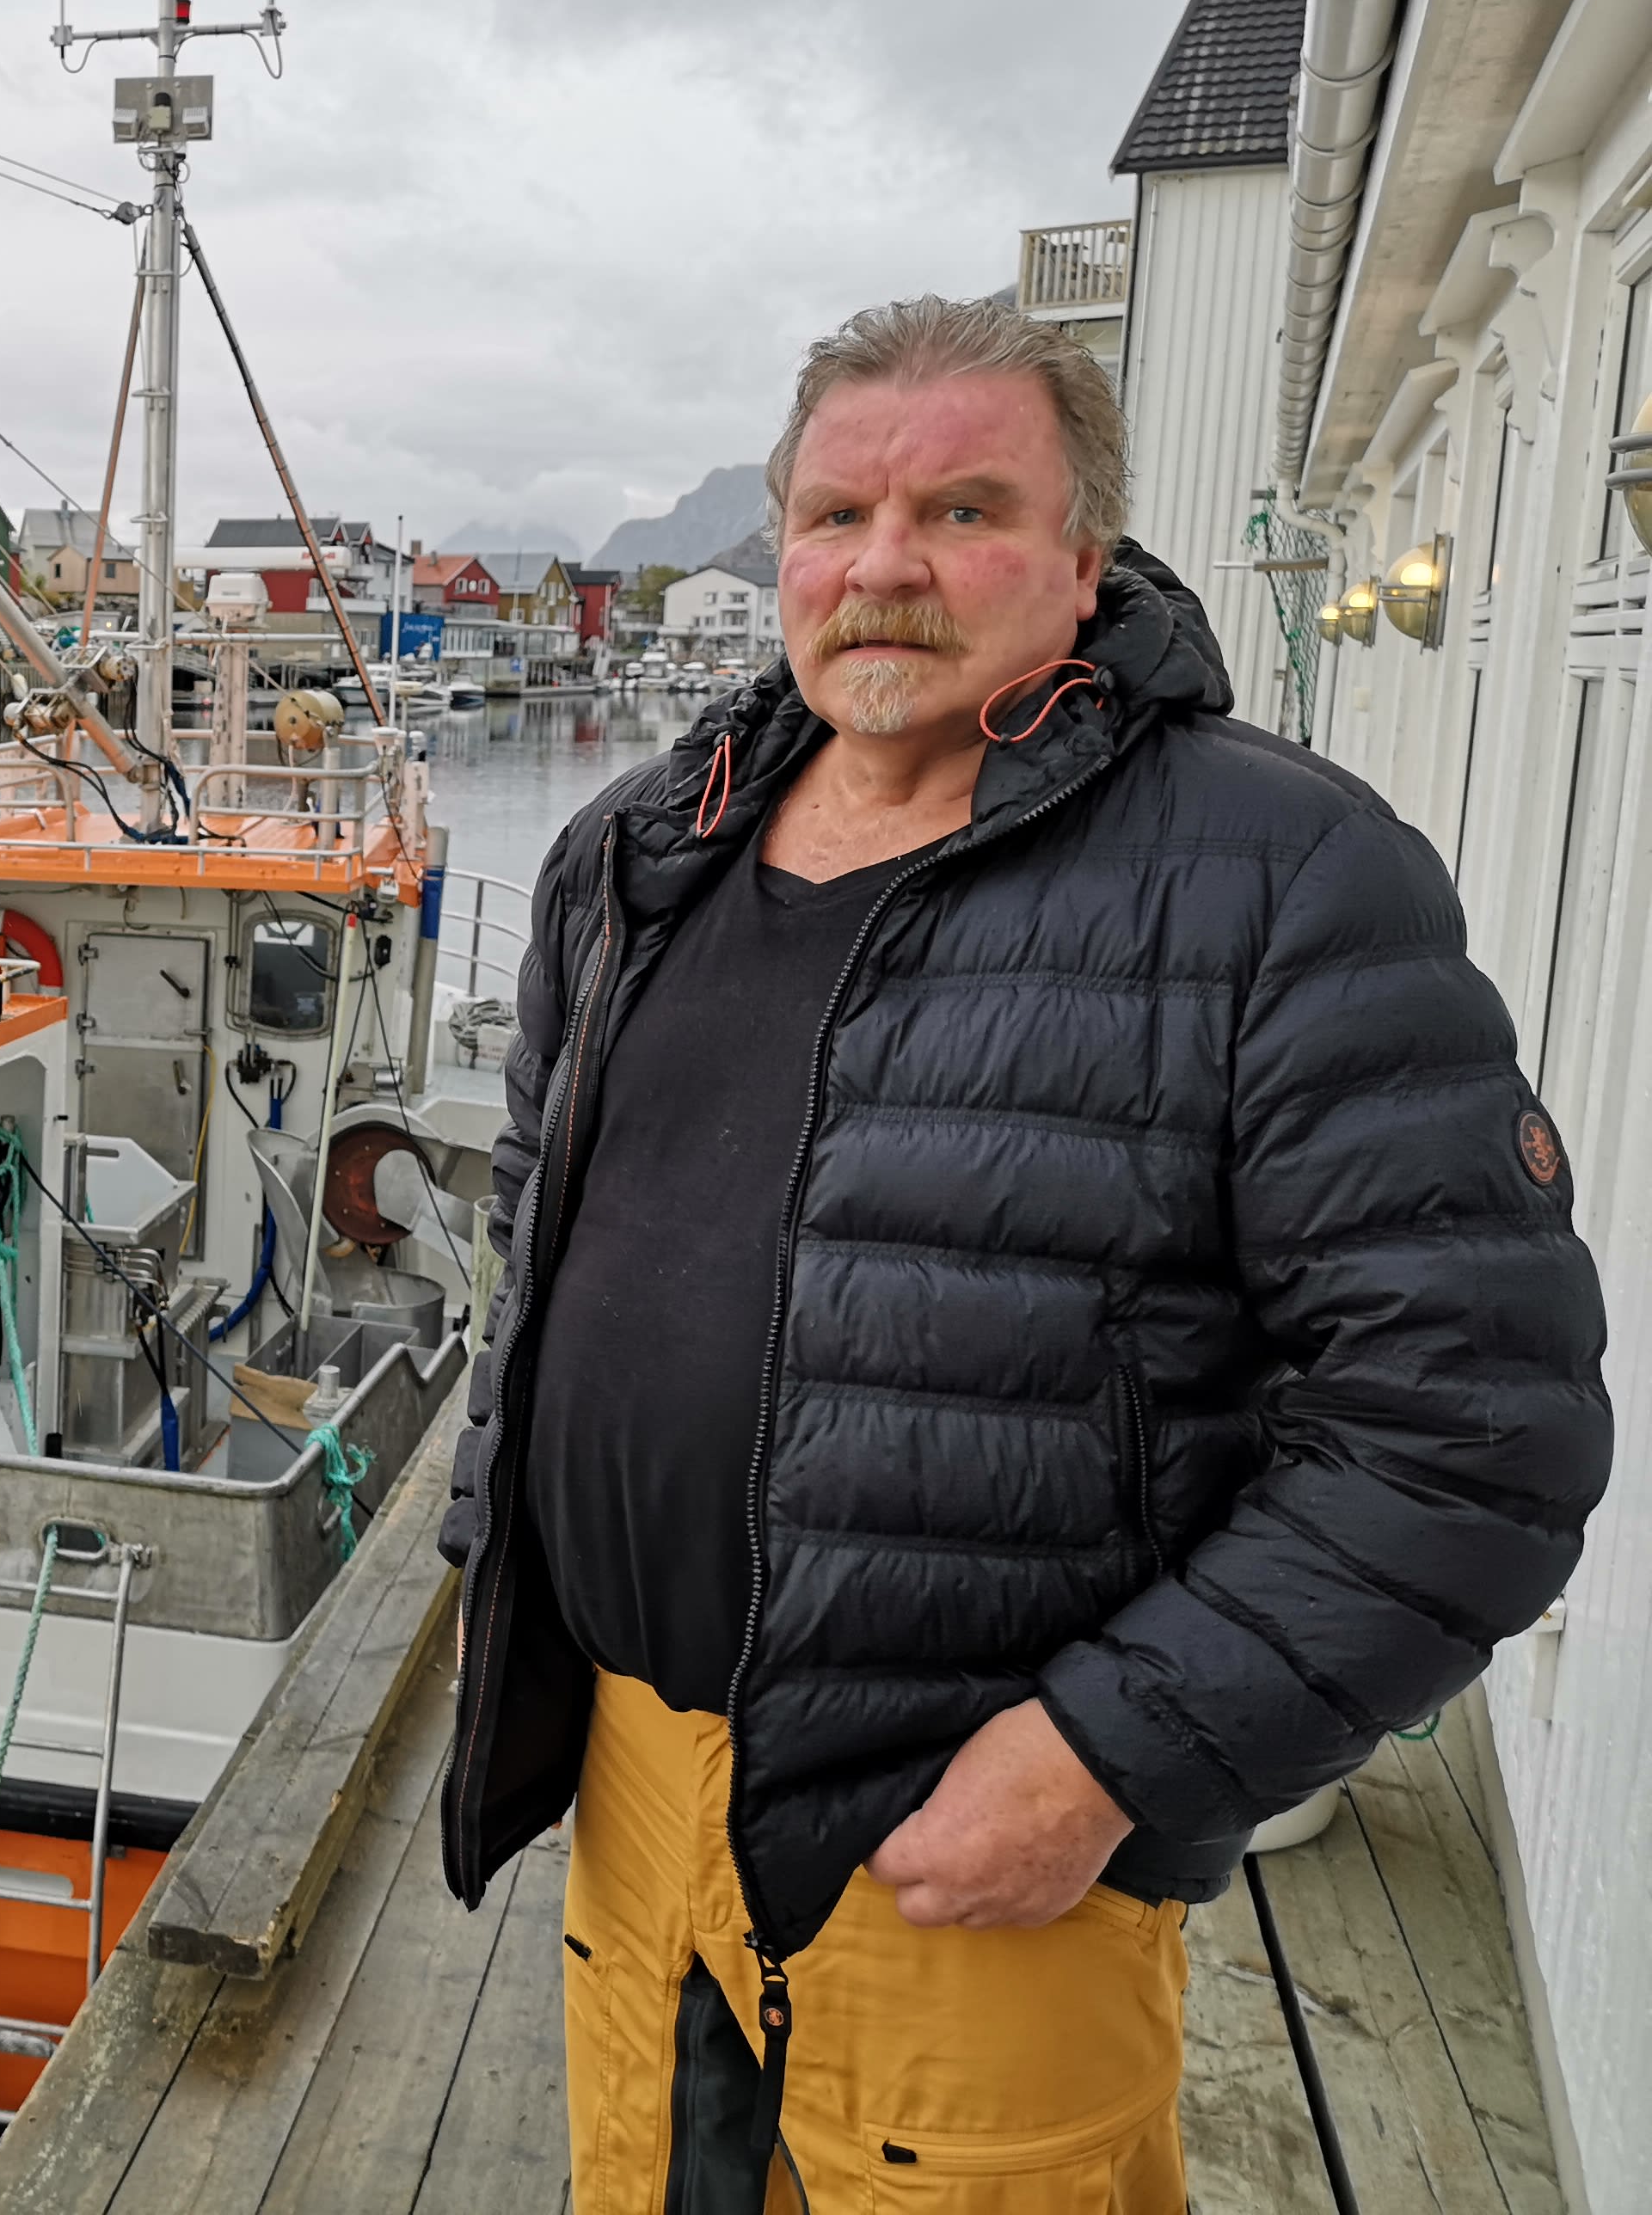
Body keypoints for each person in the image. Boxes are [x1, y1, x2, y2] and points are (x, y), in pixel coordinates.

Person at [437, 295, 1611, 2211]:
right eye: (836, 515)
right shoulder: (639, 849)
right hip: (633, 1783)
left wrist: (1104, 1758)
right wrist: (496, 1547)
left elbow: (1473, 1429)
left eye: (965, 511)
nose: (883, 565)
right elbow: (533, 1229)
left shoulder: (1281, 877)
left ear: (1084, 560)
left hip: (973, 1826)